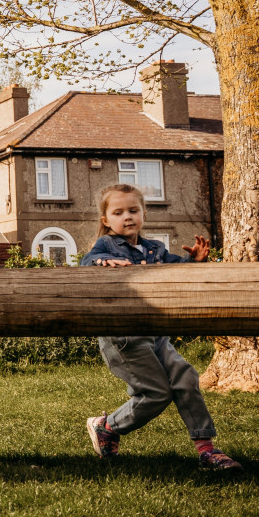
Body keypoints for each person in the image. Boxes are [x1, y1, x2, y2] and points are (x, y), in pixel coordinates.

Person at [79, 183, 240, 470]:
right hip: (123, 337)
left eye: (133, 210)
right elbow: (87, 261)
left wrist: (194, 261)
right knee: (156, 394)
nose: (127, 216)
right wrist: (103, 261)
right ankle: (108, 427)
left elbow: (176, 270)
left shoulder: (156, 248)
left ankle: (206, 450)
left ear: (143, 214)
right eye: (118, 212)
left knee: (186, 378)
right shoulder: (105, 245)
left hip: (155, 332)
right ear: (106, 221)